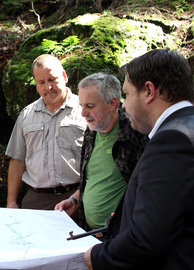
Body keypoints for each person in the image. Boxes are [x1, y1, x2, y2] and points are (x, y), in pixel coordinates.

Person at [84, 49, 194, 270]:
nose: (123, 105)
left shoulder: (172, 140)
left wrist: (97, 256)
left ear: (149, 91)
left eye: (126, 94)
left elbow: (147, 239)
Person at [55, 73, 148, 234]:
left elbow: (148, 189)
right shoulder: (92, 132)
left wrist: (125, 220)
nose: (83, 113)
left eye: (90, 106)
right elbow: (92, 179)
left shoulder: (135, 134)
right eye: (81, 105)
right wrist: (74, 200)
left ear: (112, 103)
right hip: (89, 233)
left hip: (121, 237)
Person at [5, 54, 87, 211]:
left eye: (52, 80)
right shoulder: (26, 115)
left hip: (76, 197)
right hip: (36, 201)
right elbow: (17, 160)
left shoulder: (84, 109)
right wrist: (11, 202)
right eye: (41, 82)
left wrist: (78, 197)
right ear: (36, 85)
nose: (48, 87)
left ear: (64, 76)